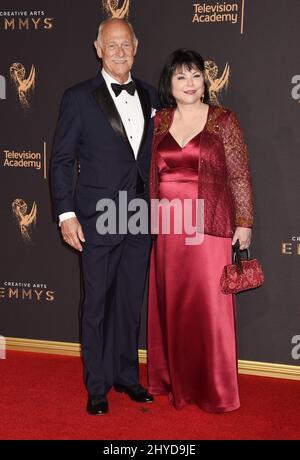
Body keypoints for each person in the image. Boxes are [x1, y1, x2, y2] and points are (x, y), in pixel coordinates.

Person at [50, 18, 159, 415]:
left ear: (136, 45)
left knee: (130, 301)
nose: (119, 51)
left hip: (140, 216)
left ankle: (127, 376)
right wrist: (65, 214)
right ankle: (97, 385)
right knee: (96, 302)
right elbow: (61, 160)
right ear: (97, 48)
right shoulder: (77, 97)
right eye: (110, 45)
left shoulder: (151, 95)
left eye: (125, 44)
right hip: (95, 216)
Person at [148, 49, 254, 413]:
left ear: (205, 80)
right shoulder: (160, 121)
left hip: (209, 226)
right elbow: (150, 174)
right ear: (170, 84)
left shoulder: (223, 120)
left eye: (195, 75)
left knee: (209, 306)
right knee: (174, 303)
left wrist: (245, 221)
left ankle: (215, 388)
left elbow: (239, 174)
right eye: (181, 76)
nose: (190, 83)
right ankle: (175, 380)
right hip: (168, 227)